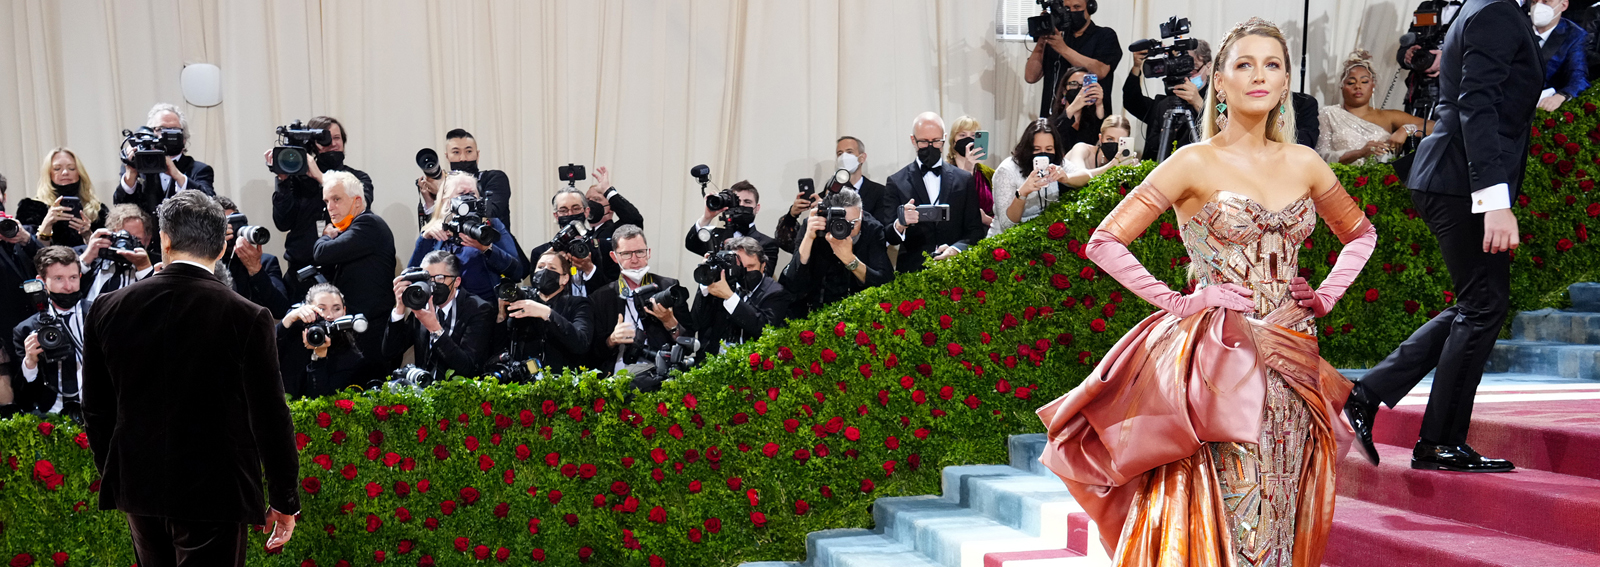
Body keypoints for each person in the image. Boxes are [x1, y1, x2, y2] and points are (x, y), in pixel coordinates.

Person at [1036, 19, 1377, 564]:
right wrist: (1181, 302)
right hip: (1223, 358)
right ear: (1218, 81)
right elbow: (1105, 241)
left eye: (1272, 65)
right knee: (1235, 510)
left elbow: (1361, 234)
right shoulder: (1193, 161)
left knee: (1283, 500)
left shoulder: (1306, 162)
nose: (1259, 76)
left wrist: (1328, 294)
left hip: (1295, 354)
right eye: (1244, 64)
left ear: (1287, 79)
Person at [1347, 0, 1541, 474]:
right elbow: (1477, 104)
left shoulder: (1484, 7)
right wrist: (1494, 200)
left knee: (1477, 301)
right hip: (1460, 181)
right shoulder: (1495, 11)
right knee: (1483, 305)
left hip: (1449, 176)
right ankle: (1437, 442)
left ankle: (1368, 394)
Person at [82, 190, 299, 565]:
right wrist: (284, 500)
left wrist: (121, 475)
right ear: (220, 248)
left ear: (164, 240)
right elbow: (270, 417)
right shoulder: (247, 315)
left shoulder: (108, 307)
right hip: (217, 491)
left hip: (140, 488)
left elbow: (97, 410)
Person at [267, 115, 374, 299]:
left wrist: (320, 178)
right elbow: (282, 223)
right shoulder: (297, 181)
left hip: (344, 272)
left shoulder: (357, 178)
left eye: (337, 138)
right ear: (312, 145)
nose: (333, 143)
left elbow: (361, 206)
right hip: (302, 275)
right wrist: (283, 181)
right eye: (325, 139)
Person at [313, 171, 395, 385]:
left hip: (372, 335)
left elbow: (322, 253)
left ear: (357, 201)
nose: (329, 207)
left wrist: (324, 238)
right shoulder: (349, 230)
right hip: (355, 331)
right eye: (327, 201)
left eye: (336, 199)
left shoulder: (369, 224)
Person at [884, 112, 987, 274]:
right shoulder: (896, 182)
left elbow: (975, 230)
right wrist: (901, 223)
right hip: (913, 273)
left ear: (944, 138)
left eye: (936, 141)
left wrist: (956, 249)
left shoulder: (964, 179)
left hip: (957, 272)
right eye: (924, 142)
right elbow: (888, 235)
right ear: (913, 140)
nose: (931, 146)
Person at [587, 225, 689, 373]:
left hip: (662, 375)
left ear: (649, 253)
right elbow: (591, 353)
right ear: (614, 257)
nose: (635, 260)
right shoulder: (601, 297)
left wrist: (670, 323)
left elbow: (690, 341)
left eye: (640, 252)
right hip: (617, 377)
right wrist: (612, 340)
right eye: (627, 254)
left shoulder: (669, 287)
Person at [409, 173, 525, 303]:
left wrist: (487, 249)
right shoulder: (434, 231)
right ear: (446, 202)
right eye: (462, 194)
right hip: (442, 309)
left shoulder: (491, 224)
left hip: (484, 309)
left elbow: (517, 272)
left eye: (472, 194)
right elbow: (410, 278)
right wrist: (425, 238)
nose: (469, 199)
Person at [779, 189, 893, 320]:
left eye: (853, 223)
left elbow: (885, 282)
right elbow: (792, 282)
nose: (845, 229)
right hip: (815, 309)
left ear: (861, 214)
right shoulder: (815, 225)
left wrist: (850, 260)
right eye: (840, 223)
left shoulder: (872, 228)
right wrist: (809, 238)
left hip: (858, 311)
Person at [773, 136, 896, 253]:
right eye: (840, 153)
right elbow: (793, 243)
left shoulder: (879, 192)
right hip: (828, 262)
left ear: (862, 157)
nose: (844, 157)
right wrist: (792, 214)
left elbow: (882, 233)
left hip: (864, 260)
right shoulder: (826, 195)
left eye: (849, 152)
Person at [383, 251, 493, 380]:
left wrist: (435, 329)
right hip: (423, 389)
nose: (433, 284)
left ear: (456, 281)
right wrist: (400, 308)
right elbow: (390, 352)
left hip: (459, 392)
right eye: (427, 278)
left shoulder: (478, 309)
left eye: (440, 278)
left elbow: (468, 367)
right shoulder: (422, 304)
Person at [13, 246, 92, 418]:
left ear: (80, 276)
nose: (68, 286)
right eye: (58, 278)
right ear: (41, 281)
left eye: (73, 277)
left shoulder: (99, 314)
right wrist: (30, 362)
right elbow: (24, 396)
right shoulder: (25, 329)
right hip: (50, 414)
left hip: (97, 411)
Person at [1317, 50, 1434, 165]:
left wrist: (1406, 130)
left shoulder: (1388, 116)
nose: (1358, 86)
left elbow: (1435, 126)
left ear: (1373, 85)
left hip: (1382, 180)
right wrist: (1360, 153)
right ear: (1342, 86)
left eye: (1364, 82)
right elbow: (1321, 156)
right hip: (1340, 179)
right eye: (1351, 83)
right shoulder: (1329, 114)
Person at [689, 237, 792, 356]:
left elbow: (764, 329)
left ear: (763, 265)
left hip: (751, 364)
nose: (744, 273)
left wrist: (730, 297)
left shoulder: (776, 292)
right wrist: (705, 284)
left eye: (750, 267)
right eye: (740, 268)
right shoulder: (723, 282)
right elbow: (695, 323)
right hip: (713, 360)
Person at [496, 251, 593, 375]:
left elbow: (581, 343)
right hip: (524, 383)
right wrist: (501, 317)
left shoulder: (579, 304)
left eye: (552, 268)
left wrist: (547, 313)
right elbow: (499, 347)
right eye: (540, 267)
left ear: (564, 278)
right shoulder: (523, 302)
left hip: (562, 381)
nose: (545, 271)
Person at [115, 103, 216, 218]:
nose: (166, 135)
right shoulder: (138, 166)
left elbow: (211, 206)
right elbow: (119, 208)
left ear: (184, 138)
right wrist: (130, 176)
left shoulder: (199, 169)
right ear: (149, 133)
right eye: (160, 129)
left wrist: (178, 176)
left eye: (174, 130)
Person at [1024, 0, 1121, 119]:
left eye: (1077, 7)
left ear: (1090, 8)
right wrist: (1042, 37)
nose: (1071, 12)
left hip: (1090, 121)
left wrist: (1063, 49)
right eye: (1067, 8)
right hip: (1053, 119)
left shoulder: (1105, 35)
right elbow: (1031, 76)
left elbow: (1100, 70)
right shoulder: (1057, 37)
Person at [1125, 39, 1214, 160]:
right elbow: (1131, 101)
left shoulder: (1218, 100)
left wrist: (1198, 103)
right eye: (1181, 68)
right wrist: (1137, 67)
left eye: (1192, 70)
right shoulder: (1164, 104)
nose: (1187, 76)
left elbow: (1222, 131)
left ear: (1209, 67)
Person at [989, 119, 1073, 238]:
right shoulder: (1007, 170)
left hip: (1042, 238)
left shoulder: (1057, 163)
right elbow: (1007, 225)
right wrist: (1022, 193)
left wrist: (1067, 178)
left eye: (1049, 149)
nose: (1043, 154)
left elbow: (1086, 177)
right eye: (1036, 149)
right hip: (1006, 241)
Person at [278, 283, 364, 398]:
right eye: (322, 308)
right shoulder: (293, 330)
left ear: (344, 311)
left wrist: (319, 358)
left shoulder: (350, 354)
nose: (329, 316)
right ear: (307, 309)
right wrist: (286, 321)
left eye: (336, 309)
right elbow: (259, 353)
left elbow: (322, 401)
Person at [415, 128, 512, 229]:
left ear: (477, 155)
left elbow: (491, 213)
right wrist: (430, 201)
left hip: (493, 243)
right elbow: (439, 231)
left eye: (469, 151)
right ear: (447, 156)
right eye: (456, 152)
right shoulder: (444, 183)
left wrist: (442, 193)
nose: (463, 158)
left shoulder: (494, 178)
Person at [528, 188, 614, 298]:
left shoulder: (604, 247)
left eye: (576, 209)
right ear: (556, 216)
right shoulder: (541, 253)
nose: (570, 214)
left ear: (586, 211)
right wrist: (551, 266)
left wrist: (589, 269)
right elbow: (539, 294)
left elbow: (614, 292)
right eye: (563, 210)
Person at [684, 180, 780, 276]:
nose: (741, 205)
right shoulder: (715, 235)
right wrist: (707, 217)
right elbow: (691, 244)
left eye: (747, 202)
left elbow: (763, 278)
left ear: (757, 208)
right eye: (737, 201)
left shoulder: (768, 244)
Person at [216, 196, 290, 319]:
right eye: (227, 226)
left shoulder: (266, 262)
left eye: (235, 223)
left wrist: (256, 270)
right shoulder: (207, 263)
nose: (233, 230)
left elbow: (281, 310)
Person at [20, 148, 108, 249]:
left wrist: (88, 235)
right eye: (57, 169)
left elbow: (107, 255)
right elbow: (28, 253)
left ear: (79, 173)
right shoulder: (30, 208)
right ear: (48, 174)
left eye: (71, 168)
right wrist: (46, 225)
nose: (65, 172)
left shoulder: (98, 210)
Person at [76, 205, 157, 302]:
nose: (126, 245)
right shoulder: (91, 256)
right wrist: (86, 259)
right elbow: (63, 287)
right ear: (109, 235)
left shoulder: (158, 264)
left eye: (135, 239)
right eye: (122, 238)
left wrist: (144, 268)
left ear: (148, 240)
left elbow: (158, 297)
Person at [1533, 0, 1590, 111]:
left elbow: (1578, 76)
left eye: (1545, 1)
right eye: (1534, 1)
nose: (1538, 6)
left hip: (1539, 105)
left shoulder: (1574, 35)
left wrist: (1561, 96)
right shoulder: (1516, 26)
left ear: (1563, 5)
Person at [1062, 115, 1141, 184]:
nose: (1114, 144)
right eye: (1110, 139)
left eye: (1121, 141)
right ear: (1101, 139)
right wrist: (1110, 167)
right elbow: (1077, 176)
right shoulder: (1082, 149)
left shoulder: (1125, 161)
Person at [947, 117, 996, 227]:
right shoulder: (943, 172)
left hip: (986, 235)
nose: (968, 139)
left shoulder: (989, 174)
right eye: (962, 135)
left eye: (973, 136)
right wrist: (967, 170)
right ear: (953, 141)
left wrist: (986, 220)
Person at [1048, 67, 1109, 149]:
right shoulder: (1053, 121)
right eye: (1074, 84)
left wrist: (1099, 105)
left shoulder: (1090, 122)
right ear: (1064, 90)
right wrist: (1074, 106)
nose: (1079, 89)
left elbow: (1102, 136)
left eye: (1084, 85)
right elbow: (1054, 136)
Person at [583, 166, 646, 242]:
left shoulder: (616, 232)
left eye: (596, 199)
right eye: (587, 200)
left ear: (611, 208)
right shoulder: (584, 234)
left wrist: (607, 190)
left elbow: (635, 220)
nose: (590, 203)